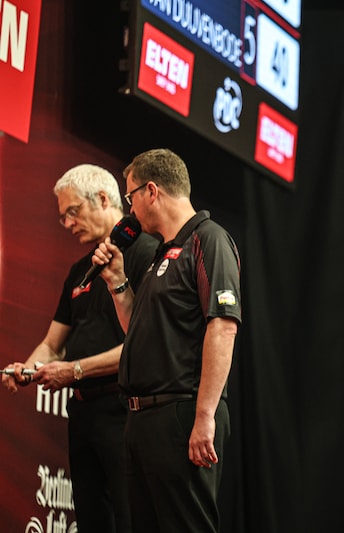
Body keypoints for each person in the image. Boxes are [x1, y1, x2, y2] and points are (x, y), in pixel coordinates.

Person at [2, 164, 160, 533]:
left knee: (131, 520)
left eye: (72, 211)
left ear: (104, 199)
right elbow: (52, 344)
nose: (68, 224)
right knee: (91, 521)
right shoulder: (79, 270)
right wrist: (27, 368)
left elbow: (143, 346)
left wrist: (74, 371)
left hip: (126, 413)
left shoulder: (147, 254)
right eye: (62, 218)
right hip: (84, 414)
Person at [91, 148, 241, 533]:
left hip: (181, 412)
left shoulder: (209, 239)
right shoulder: (161, 254)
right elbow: (139, 333)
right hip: (142, 417)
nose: (130, 209)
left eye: (131, 197)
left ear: (152, 191)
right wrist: (117, 282)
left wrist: (204, 416)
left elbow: (223, 327)